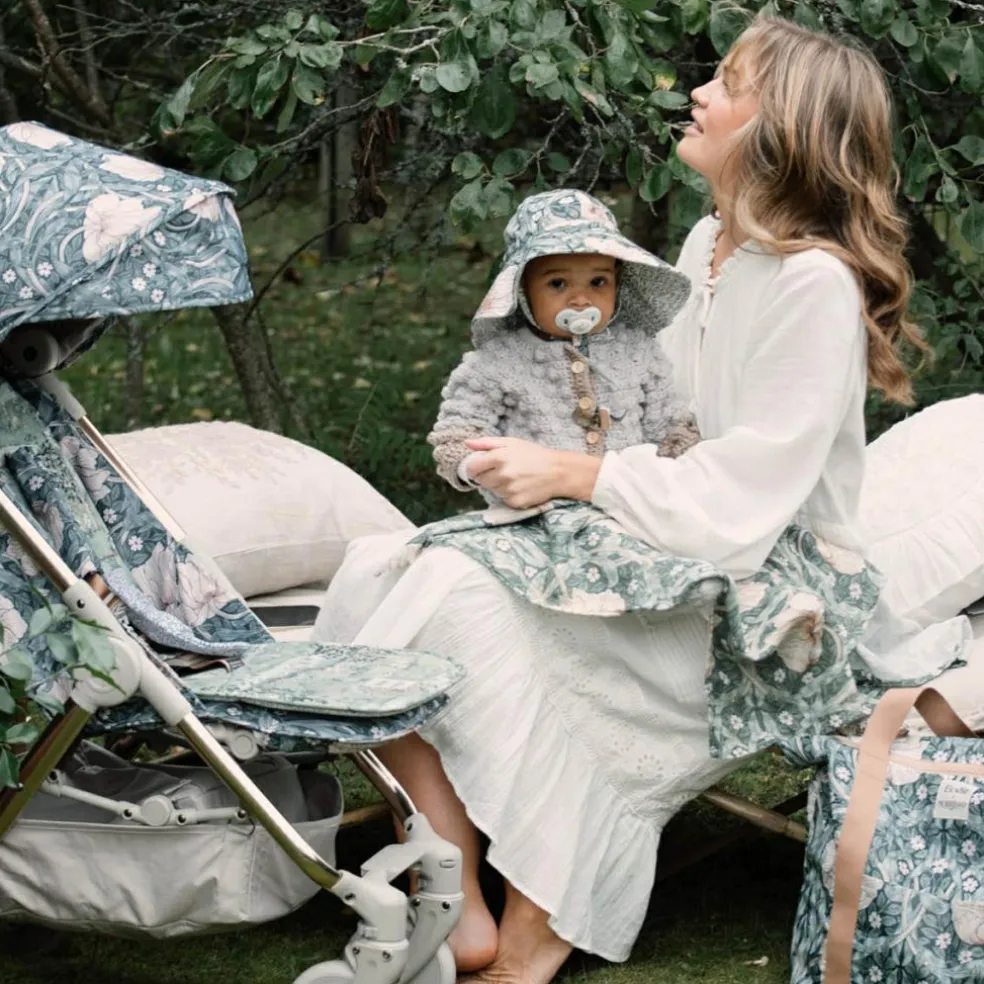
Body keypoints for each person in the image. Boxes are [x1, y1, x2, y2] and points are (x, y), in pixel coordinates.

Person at [313, 14, 928, 984]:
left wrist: (573, 476)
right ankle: (452, 894)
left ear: (780, 128)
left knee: (472, 607)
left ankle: (536, 920)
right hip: (662, 535)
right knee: (395, 573)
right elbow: (656, 420)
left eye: (727, 85)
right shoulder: (705, 244)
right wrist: (540, 454)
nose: (699, 93)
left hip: (777, 584)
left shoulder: (814, 284)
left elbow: (746, 493)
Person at [427, 188, 699, 504]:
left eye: (598, 282)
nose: (580, 299)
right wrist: (475, 465)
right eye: (557, 284)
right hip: (536, 510)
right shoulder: (498, 361)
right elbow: (458, 433)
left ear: (618, 283)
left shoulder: (639, 351)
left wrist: (678, 471)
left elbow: (669, 428)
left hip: (624, 501)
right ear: (522, 290)